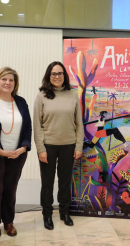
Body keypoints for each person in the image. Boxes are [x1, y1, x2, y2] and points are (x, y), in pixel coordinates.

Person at [34, 61, 84, 230]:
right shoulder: (42, 95)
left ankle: (64, 212)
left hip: (68, 145)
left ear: (64, 76)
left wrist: (78, 146)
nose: (57, 76)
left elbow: (79, 124)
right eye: (54, 74)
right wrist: (41, 149)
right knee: (47, 182)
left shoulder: (72, 95)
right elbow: (37, 125)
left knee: (65, 181)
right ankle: (47, 215)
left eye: (60, 73)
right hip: (48, 146)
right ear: (49, 76)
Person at [0, 67, 32, 238]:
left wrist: (24, 147)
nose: (8, 83)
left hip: (17, 154)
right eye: (4, 79)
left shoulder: (21, 102)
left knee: (10, 189)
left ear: (15, 84)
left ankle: (9, 222)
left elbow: (27, 127)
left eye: (11, 80)